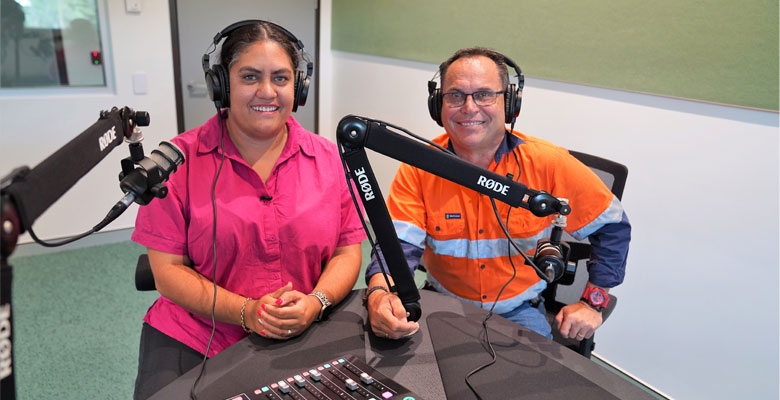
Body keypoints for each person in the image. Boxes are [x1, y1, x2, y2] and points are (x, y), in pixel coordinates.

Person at [131, 21, 365, 398]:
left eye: (282, 78)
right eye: (250, 77)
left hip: (305, 328)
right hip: (196, 334)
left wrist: (315, 302)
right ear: (221, 85)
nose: (267, 92)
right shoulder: (178, 161)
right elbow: (167, 272)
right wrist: (246, 312)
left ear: (299, 86)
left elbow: (346, 250)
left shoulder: (328, 159)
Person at [364, 47, 630, 342]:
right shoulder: (419, 167)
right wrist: (379, 292)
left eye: (484, 94)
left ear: (510, 103)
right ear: (437, 104)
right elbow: (397, 245)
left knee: (531, 385)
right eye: (455, 95)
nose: (469, 107)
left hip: (519, 309)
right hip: (443, 301)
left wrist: (594, 301)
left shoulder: (549, 164)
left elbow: (612, 227)